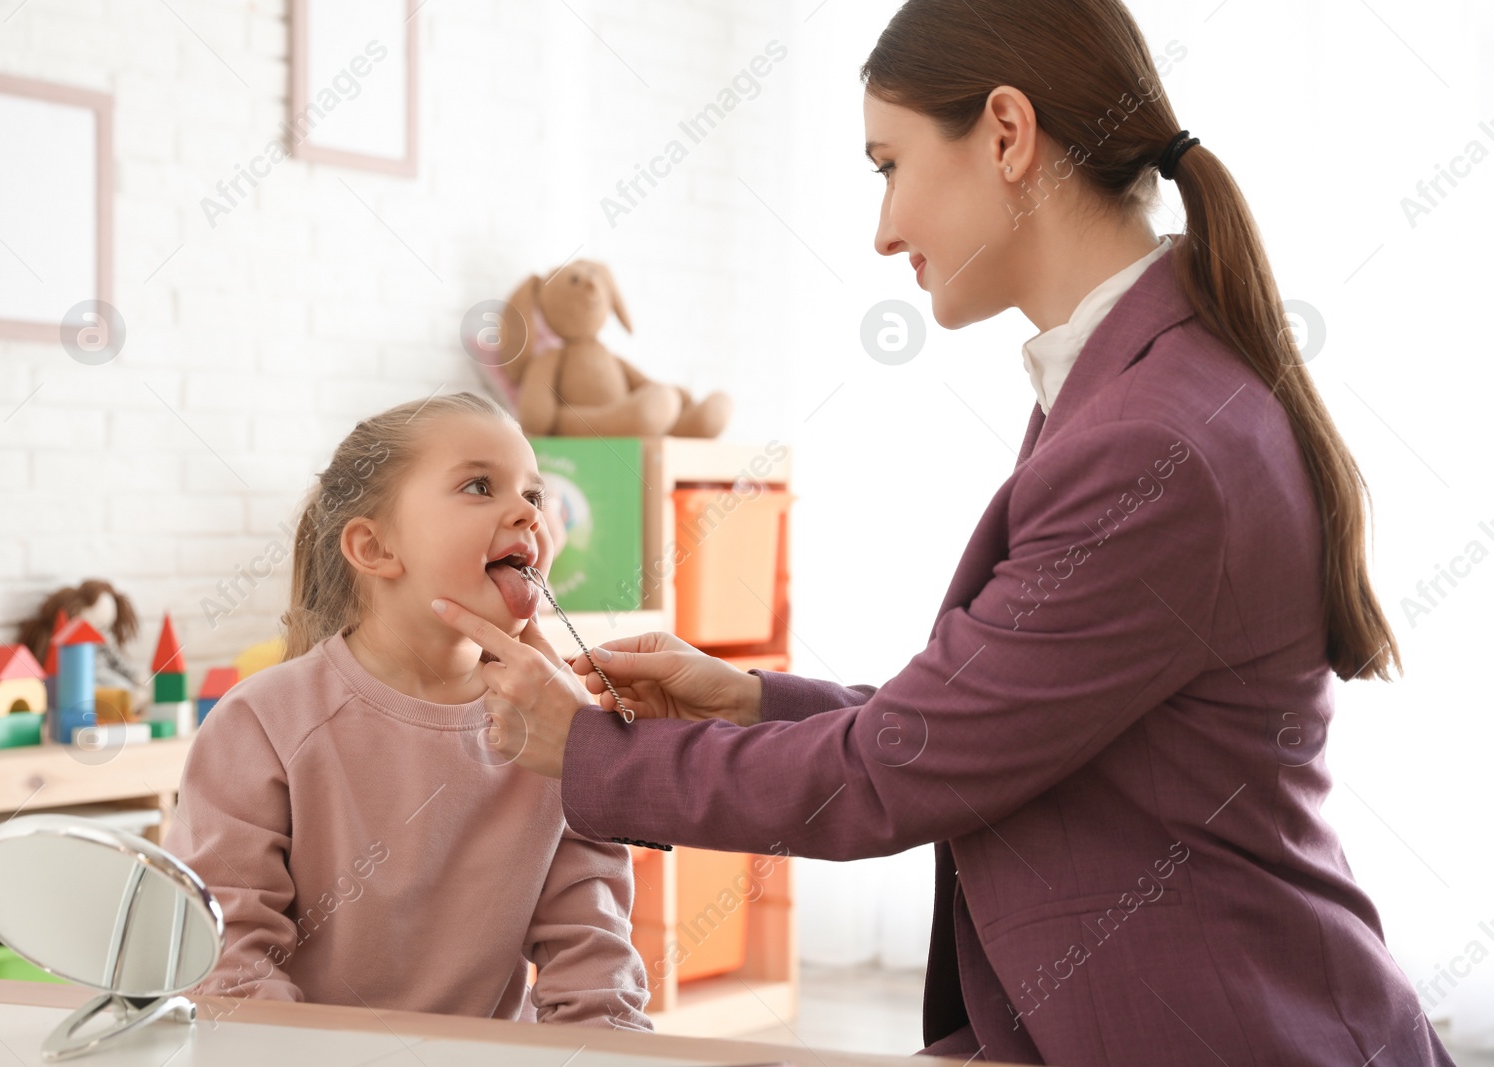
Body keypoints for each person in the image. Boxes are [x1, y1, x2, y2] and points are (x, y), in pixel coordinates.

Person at [431, 0, 1454, 1062]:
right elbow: (1000, 707)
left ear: (1007, 135)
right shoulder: (1137, 386)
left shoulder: (1154, 444)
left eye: (887, 164)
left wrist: (587, 750)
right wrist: (744, 698)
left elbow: (896, 771)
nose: (881, 229)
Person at [164, 392, 650, 1031]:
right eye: (480, 486)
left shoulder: (556, 729)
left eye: (534, 496)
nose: (529, 514)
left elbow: (593, 960)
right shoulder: (261, 723)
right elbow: (224, 962)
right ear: (373, 548)